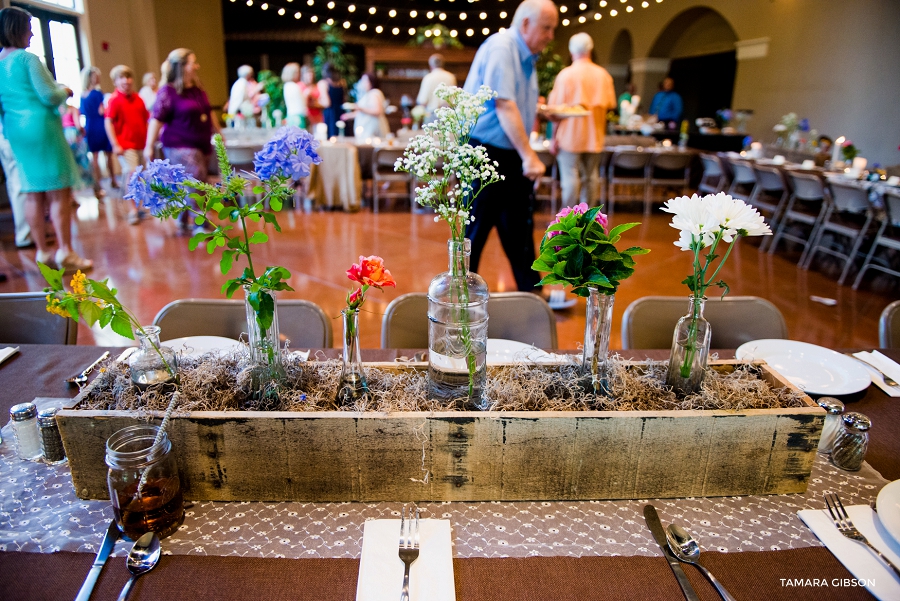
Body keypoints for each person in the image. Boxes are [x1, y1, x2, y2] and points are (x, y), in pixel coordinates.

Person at [463, 0, 558, 292]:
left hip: (507, 152)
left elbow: (512, 104)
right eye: (547, 28)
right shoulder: (503, 47)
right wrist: (530, 157)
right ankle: (461, 297)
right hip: (485, 152)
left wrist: (542, 113)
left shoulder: (525, 56)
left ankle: (533, 295)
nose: (550, 36)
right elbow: (503, 105)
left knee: (518, 228)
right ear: (526, 24)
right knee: (475, 232)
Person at [0, 6, 92, 271]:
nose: (31, 34)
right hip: (41, 128)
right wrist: (65, 89)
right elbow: (49, 96)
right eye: (28, 28)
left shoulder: (0, 62)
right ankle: (65, 251)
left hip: (15, 131)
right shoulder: (27, 59)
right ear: (17, 29)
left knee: (32, 192)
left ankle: (42, 252)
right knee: (59, 192)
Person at [144, 48, 219, 235]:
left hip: (200, 143)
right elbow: (157, 118)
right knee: (195, 179)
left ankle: (183, 217)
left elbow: (208, 112)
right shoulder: (168, 91)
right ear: (183, 67)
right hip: (179, 144)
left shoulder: (197, 89)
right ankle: (200, 222)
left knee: (193, 180)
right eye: (193, 62)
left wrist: (219, 132)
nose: (197, 66)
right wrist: (148, 146)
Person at [547, 32, 616, 208]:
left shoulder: (566, 75)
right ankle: (588, 218)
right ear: (590, 49)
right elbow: (609, 106)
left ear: (571, 51)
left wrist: (554, 137)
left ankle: (568, 217)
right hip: (595, 136)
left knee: (570, 177)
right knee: (591, 177)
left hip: (569, 137)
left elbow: (556, 112)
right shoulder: (603, 75)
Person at [104, 64, 149, 225]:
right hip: (126, 145)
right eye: (122, 78)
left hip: (141, 144)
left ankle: (141, 206)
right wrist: (115, 143)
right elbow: (108, 122)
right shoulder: (114, 100)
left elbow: (146, 119)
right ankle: (133, 210)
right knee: (132, 175)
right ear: (115, 81)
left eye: (128, 77)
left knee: (141, 177)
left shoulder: (138, 99)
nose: (126, 81)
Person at [81, 65, 118, 195]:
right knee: (108, 155)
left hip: (90, 126)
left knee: (95, 158)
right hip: (101, 125)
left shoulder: (83, 95)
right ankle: (113, 180)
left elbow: (83, 112)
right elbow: (101, 110)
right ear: (91, 78)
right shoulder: (97, 93)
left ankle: (98, 184)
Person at [341, 72, 389, 139]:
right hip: (366, 128)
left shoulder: (374, 93)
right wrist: (349, 116)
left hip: (372, 129)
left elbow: (378, 111)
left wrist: (360, 108)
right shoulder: (368, 94)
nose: (362, 83)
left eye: (364, 81)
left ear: (371, 82)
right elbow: (363, 113)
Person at [416, 53, 456, 122]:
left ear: (430, 65)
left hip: (432, 116)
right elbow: (455, 99)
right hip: (448, 116)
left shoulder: (428, 78)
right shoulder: (451, 77)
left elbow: (422, 101)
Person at [319, 62, 345, 138]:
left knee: (331, 136)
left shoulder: (324, 83)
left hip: (331, 114)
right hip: (340, 112)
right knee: (341, 135)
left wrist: (319, 101)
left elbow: (327, 103)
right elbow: (344, 99)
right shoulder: (342, 82)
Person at [281, 62, 306, 128]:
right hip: (297, 116)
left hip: (290, 115)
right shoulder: (294, 86)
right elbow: (302, 102)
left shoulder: (287, 85)